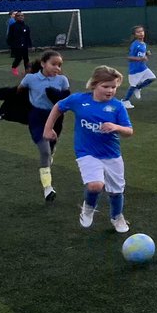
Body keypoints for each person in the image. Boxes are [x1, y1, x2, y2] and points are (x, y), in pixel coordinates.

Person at [43, 65, 133, 231]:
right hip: (86, 152)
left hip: (112, 154)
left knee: (116, 191)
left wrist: (116, 127)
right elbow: (58, 107)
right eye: (105, 86)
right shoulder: (79, 100)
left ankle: (117, 217)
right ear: (94, 85)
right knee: (95, 185)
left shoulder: (117, 106)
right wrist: (48, 128)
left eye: (113, 87)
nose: (110, 90)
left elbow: (129, 131)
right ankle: (88, 208)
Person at [15, 49, 71, 202]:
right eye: (53, 64)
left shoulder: (62, 80)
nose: (57, 68)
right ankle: (48, 188)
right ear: (43, 63)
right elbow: (19, 91)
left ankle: (51, 154)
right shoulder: (30, 79)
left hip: (56, 118)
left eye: (59, 65)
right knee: (44, 151)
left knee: (51, 147)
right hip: (37, 118)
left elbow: (66, 100)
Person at [122, 25, 156, 108]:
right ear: (135, 34)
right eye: (138, 32)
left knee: (152, 78)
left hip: (143, 68)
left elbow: (141, 54)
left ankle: (138, 88)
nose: (141, 33)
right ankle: (125, 101)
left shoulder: (143, 43)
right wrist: (141, 58)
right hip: (135, 70)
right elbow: (129, 58)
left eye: (142, 31)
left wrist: (146, 53)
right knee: (132, 86)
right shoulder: (134, 45)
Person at [6, 10, 32, 76]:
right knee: (18, 58)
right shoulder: (13, 26)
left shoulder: (26, 26)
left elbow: (28, 36)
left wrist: (30, 45)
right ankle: (14, 67)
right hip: (16, 46)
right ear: (15, 17)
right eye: (18, 16)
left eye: (22, 16)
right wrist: (11, 45)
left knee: (26, 58)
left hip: (25, 45)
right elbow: (10, 36)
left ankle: (27, 71)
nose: (20, 17)